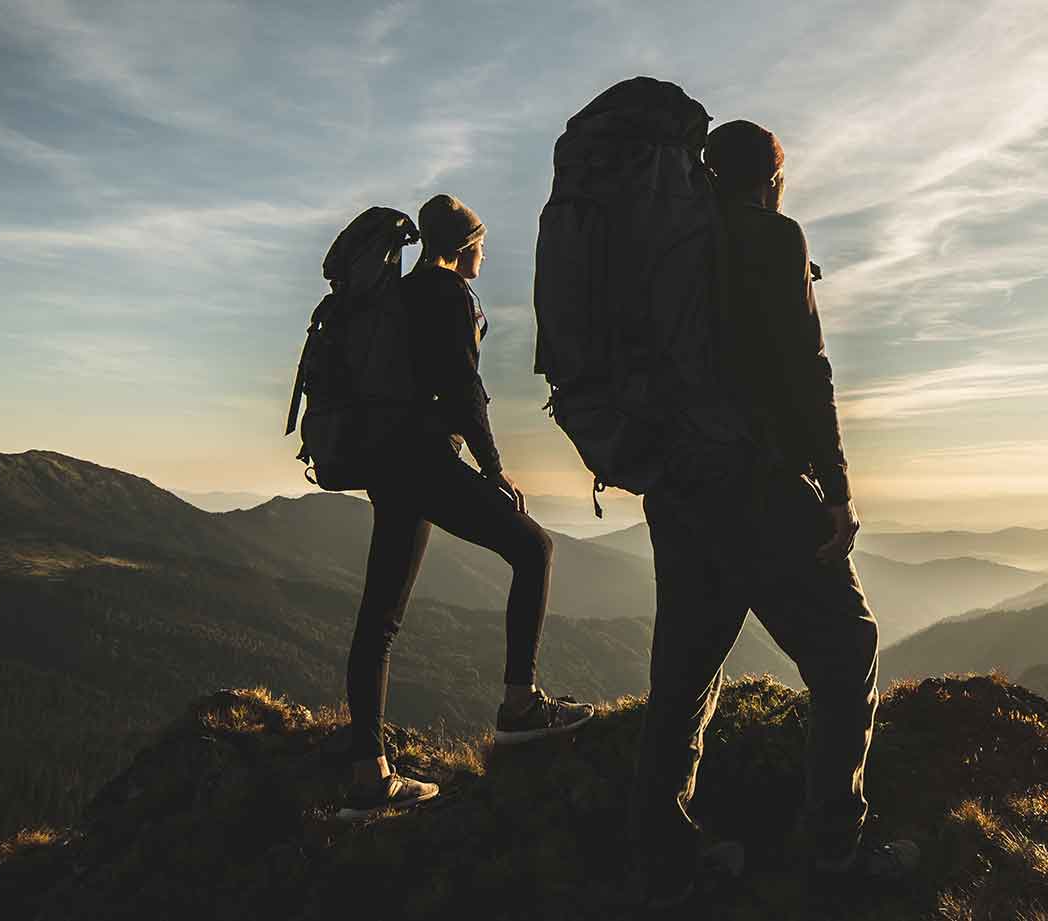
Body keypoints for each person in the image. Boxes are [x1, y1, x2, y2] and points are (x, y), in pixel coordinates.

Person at [631, 121, 917, 905]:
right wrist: (838, 487)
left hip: (677, 489)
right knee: (848, 645)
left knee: (685, 670)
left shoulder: (666, 250)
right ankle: (834, 846)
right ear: (771, 179)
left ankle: (664, 854)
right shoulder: (773, 236)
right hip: (757, 483)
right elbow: (805, 368)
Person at [340, 194, 596, 818]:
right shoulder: (448, 294)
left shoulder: (396, 296)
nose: (486, 252)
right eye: (481, 242)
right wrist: (494, 469)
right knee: (535, 548)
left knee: (381, 617)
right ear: (464, 244)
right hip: (426, 461)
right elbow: (462, 390)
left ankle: (369, 774)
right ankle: (519, 706)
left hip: (387, 463)